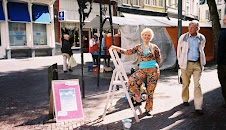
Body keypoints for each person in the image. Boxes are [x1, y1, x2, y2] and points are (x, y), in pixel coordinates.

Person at [111, 28, 161, 116]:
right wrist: (116, 48)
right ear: (142, 36)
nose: (147, 37)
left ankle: (148, 109)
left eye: (149, 35)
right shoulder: (138, 47)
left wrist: (151, 65)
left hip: (153, 71)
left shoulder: (154, 47)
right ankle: (138, 98)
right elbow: (127, 52)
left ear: (151, 37)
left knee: (150, 91)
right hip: (142, 70)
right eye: (145, 35)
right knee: (131, 81)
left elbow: (158, 59)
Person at [177, 20, 206, 115]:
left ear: (197, 28)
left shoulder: (201, 38)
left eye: (192, 27)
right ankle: (185, 99)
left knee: (197, 85)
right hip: (186, 64)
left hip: (197, 64)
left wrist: (202, 63)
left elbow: (202, 50)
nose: (190, 29)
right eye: (189, 27)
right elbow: (179, 51)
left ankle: (198, 107)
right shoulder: (183, 38)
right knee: (185, 84)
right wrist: (180, 62)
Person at [216, 15, 226, 108]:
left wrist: (218, 61)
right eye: (223, 20)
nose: (224, 21)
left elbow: (220, 49)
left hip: (224, 63)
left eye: (225, 20)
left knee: (223, 81)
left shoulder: (223, 33)